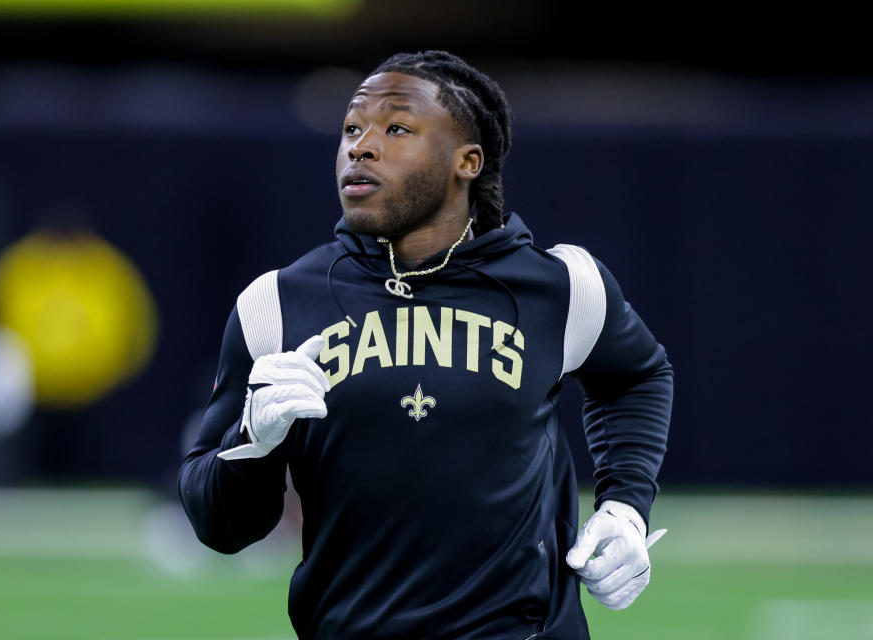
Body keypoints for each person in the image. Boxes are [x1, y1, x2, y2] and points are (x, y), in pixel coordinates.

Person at [179, 50, 673, 640]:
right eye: (351, 129)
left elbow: (637, 376)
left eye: (396, 128)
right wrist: (251, 444)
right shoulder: (276, 303)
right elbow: (219, 527)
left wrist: (624, 506)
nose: (360, 146)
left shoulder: (561, 286)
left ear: (467, 161)